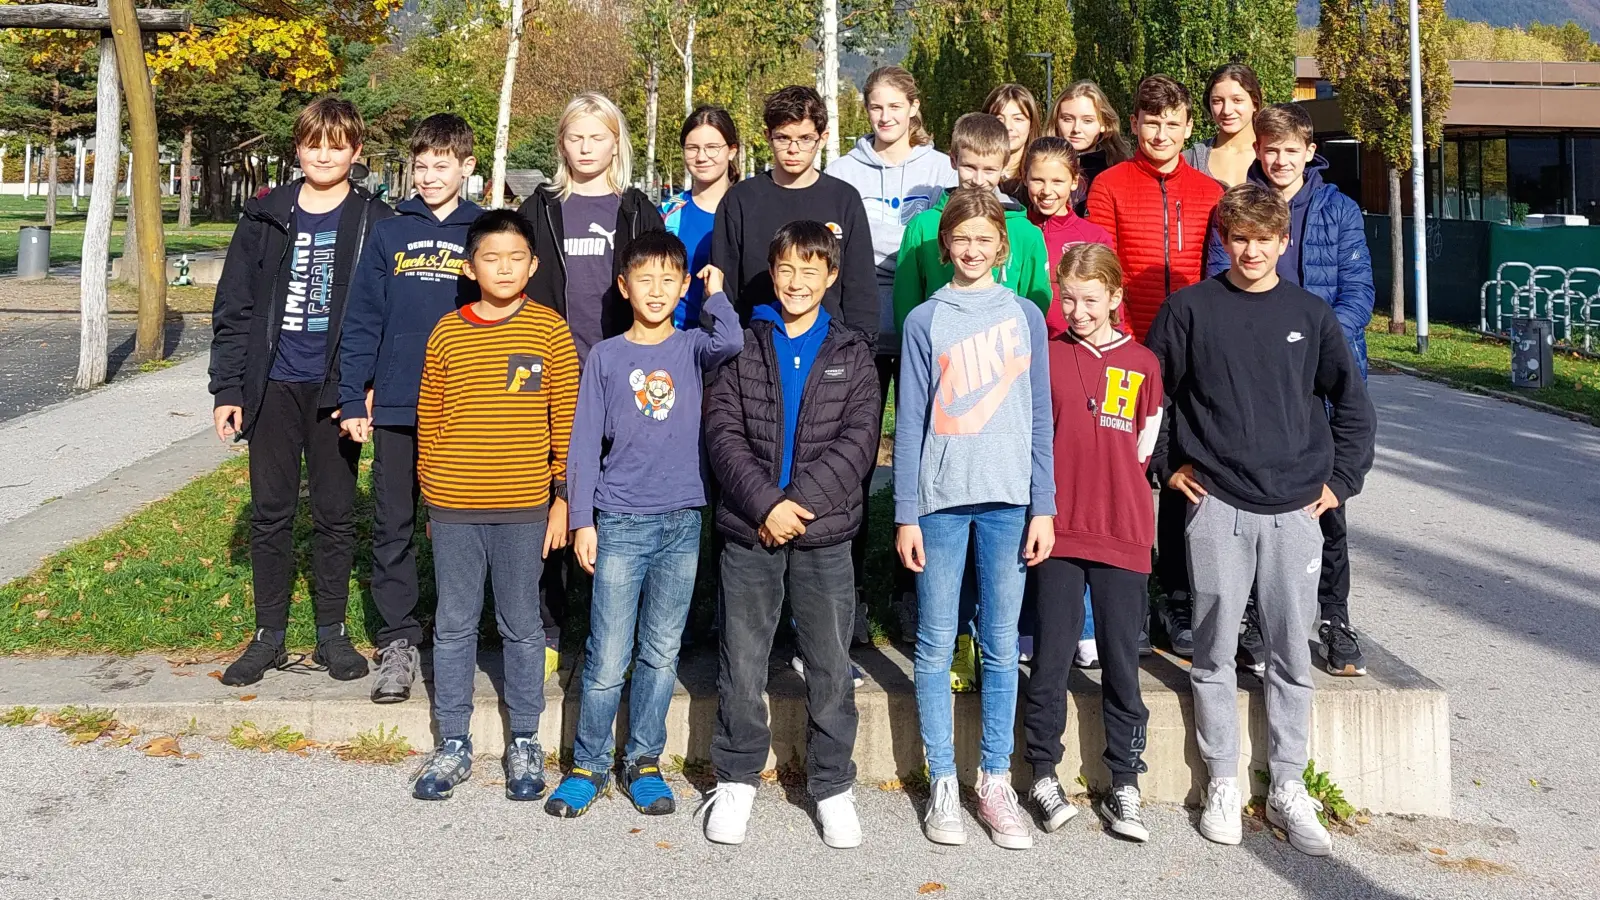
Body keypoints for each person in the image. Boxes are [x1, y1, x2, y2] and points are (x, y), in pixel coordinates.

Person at [1146, 183, 1375, 856]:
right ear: (1225, 240)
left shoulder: (1310, 313)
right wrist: (1168, 468)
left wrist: (1340, 482)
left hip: (1294, 510)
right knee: (1213, 652)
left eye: (1263, 240)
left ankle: (1288, 785)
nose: (1249, 250)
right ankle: (1221, 780)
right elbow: (1149, 394)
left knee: (1289, 654)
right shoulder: (1189, 309)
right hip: (1216, 506)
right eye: (1238, 238)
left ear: (1283, 243)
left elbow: (1352, 404)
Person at [545, 233, 742, 819]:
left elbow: (730, 338)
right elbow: (583, 446)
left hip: (682, 519)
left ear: (681, 287)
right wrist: (583, 519)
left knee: (660, 651)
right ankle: (589, 764)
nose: (655, 292)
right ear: (624, 287)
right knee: (607, 654)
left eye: (669, 281)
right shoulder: (605, 357)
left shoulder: (692, 346)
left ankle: (644, 762)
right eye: (644, 281)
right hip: (621, 520)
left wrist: (715, 294)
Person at [701, 222, 881, 849]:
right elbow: (722, 433)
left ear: (832, 277)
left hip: (823, 530)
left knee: (831, 664)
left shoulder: (852, 351)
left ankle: (831, 784)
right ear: (772, 274)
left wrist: (798, 503)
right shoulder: (742, 345)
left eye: (812, 269)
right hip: (752, 528)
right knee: (743, 658)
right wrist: (765, 505)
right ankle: (737, 776)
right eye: (786, 269)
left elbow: (860, 441)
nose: (797, 281)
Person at [209, 97, 394, 688]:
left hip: (336, 390)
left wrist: (362, 389)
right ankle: (268, 635)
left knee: (336, 514)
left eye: (337, 145)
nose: (324, 154)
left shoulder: (373, 219)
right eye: (314, 143)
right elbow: (233, 308)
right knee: (271, 512)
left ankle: (332, 634)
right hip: (272, 387)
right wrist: (227, 388)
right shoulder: (266, 215)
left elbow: (380, 313)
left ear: (355, 152)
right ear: (298, 148)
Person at [895, 187, 1055, 850]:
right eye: (961, 239)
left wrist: (1042, 504)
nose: (971, 249)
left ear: (1003, 248)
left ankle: (994, 780)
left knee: (998, 644)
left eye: (984, 240)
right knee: (934, 645)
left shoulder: (1025, 318)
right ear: (945, 245)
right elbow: (906, 423)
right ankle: (941, 782)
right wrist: (905, 512)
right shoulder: (924, 322)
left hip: (1009, 501)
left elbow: (1041, 417)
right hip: (939, 502)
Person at [408, 210, 580, 802]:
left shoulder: (549, 330)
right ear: (469, 265)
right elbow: (430, 418)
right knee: (454, 625)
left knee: (523, 626)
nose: (503, 268)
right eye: (490, 257)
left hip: (525, 507)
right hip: (454, 505)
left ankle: (525, 738)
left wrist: (563, 500)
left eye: (515, 258)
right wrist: (430, 493)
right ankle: (453, 741)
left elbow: (568, 423)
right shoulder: (448, 332)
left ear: (532, 265)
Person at [1206, 102, 1376, 677]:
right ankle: (1252, 615)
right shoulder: (1235, 208)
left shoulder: (1340, 211)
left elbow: (1358, 294)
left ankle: (1333, 615)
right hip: (1253, 379)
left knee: (1325, 504)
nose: (1278, 159)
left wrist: (1312, 347)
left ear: (1309, 151)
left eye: (1289, 149)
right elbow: (1216, 283)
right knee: (1251, 499)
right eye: (1268, 149)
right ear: (1257, 151)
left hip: (1319, 375)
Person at [892, 112, 1051, 692]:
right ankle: (955, 641)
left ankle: (991, 643)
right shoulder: (924, 230)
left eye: (991, 169)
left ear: (1007, 168)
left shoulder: (1026, 234)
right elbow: (910, 312)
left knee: (1000, 577)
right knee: (945, 566)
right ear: (952, 163)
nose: (980, 180)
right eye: (969, 168)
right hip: (945, 419)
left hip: (1003, 428)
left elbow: (1033, 313)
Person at [336, 113, 482, 704]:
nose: (428, 176)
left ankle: (457, 636)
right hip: (396, 403)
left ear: (467, 168)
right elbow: (364, 316)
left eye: (441, 165)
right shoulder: (390, 233)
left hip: (465, 408)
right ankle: (397, 641)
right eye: (420, 166)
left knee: (458, 528)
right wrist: (353, 393)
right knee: (392, 524)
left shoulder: (488, 231)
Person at [517, 92, 665, 668]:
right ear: (562, 143)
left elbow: (659, 288)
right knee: (553, 493)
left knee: (614, 502)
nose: (585, 148)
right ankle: (550, 628)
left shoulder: (636, 210)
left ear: (615, 143)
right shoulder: (540, 208)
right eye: (575, 137)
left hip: (619, 372)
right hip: (555, 372)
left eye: (596, 137)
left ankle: (613, 631)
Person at [1019, 244, 1160, 843]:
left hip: (1123, 530)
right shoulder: (1045, 357)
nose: (1078, 310)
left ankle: (1125, 780)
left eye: (1090, 300)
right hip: (1058, 528)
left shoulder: (1144, 364)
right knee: (1050, 657)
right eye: (1068, 298)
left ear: (1116, 298)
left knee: (1121, 662)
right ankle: (1042, 772)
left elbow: (1143, 448)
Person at [1087, 74, 1224, 657]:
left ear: (1189, 128)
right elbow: (1103, 268)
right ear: (1136, 125)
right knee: (1122, 474)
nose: (1162, 133)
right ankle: (1128, 602)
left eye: (1173, 124)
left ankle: (1177, 599)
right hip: (1127, 352)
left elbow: (1217, 273)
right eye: (1151, 122)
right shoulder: (1109, 186)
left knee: (1178, 474)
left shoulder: (1211, 190)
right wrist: (1122, 344)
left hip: (1191, 355)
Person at [825, 65, 956, 648]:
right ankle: (846, 594)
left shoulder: (942, 171)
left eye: (894, 107)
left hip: (925, 330)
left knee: (922, 458)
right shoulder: (843, 172)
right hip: (858, 330)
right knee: (852, 458)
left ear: (913, 108)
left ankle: (911, 591)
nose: (884, 117)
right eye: (875, 107)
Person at [712, 85, 877, 342]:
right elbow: (724, 289)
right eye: (783, 138)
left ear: (823, 138)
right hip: (756, 352)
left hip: (829, 352)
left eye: (805, 139)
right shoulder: (740, 200)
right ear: (768, 136)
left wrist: (860, 353)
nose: (793, 149)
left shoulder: (844, 199)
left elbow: (860, 291)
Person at [661, 105, 740, 329]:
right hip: (680, 342)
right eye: (693, 148)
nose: (702, 157)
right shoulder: (668, 213)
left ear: (732, 150)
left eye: (712, 147)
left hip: (738, 341)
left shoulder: (751, 209)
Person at [1050, 81, 1132, 217]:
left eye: (1087, 121)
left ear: (1104, 124)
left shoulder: (1117, 169)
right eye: (1067, 119)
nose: (1076, 129)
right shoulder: (1039, 164)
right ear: (1056, 122)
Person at [1182, 63, 1263, 188]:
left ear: (1255, 103)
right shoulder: (1190, 160)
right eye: (1217, 101)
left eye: (1237, 100)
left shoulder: (1276, 156)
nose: (1226, 110)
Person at [984, 83, 1042, 206]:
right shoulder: (973, 172)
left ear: (1031, 124)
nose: (1007, 127)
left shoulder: (1041, 171)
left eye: (1018, 119)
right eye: (999, 119)